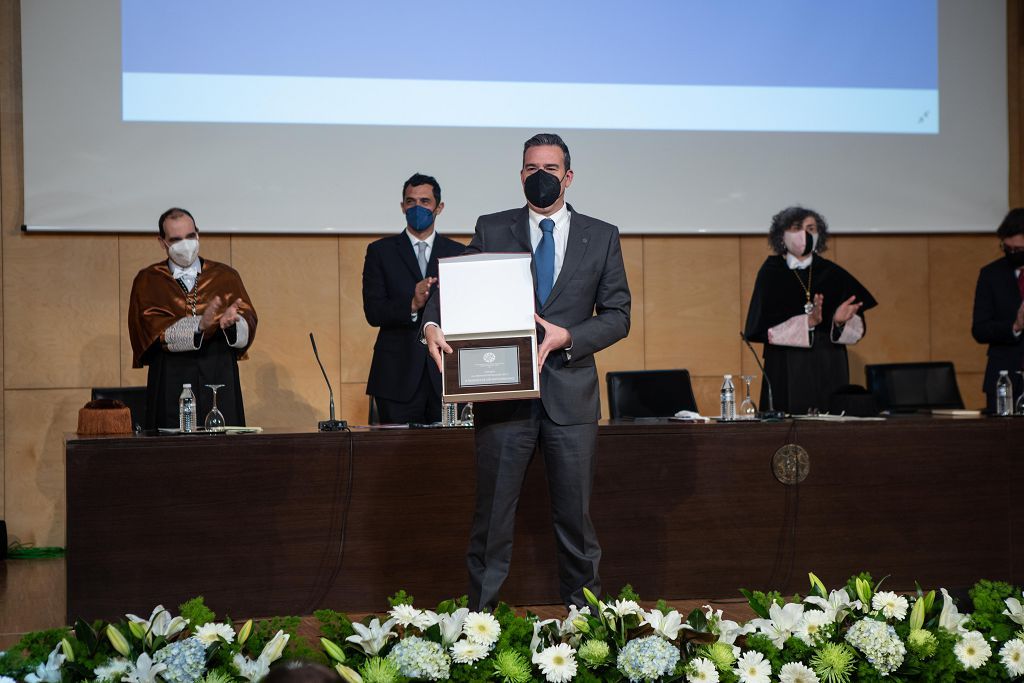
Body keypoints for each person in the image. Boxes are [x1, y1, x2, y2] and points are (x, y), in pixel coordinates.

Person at [423, 133, 631, 610]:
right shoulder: (493, 228)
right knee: (491, 522)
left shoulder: (600, 235)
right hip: (504, 398)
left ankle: (585, 630)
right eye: (531, 168)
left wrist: (570, 337)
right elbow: (456, 282)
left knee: (576, 526)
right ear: (521, 175)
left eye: (551, 169)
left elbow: (618, 315)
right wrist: (432, 323)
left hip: (571, 399)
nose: (541, 176)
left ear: (568, 177)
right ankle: (480, 628)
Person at [128, 207, 257, 429]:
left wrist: (232, 325)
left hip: (218, 371)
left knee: (224, 450)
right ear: (162, 242)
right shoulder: (148, 280)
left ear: (198, 233)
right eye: (176, 239)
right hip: (171, 377)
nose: (185, 244)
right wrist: (199, 326)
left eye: (190, 237)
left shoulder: (225, 275)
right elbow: (148, 330)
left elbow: (248, 318)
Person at [744, 206, 876, 414]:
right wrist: (807, 323)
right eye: (797, 228)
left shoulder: (833, 273)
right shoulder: (771, 273)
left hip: (828, 363)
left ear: (819, 236)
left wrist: (839, 322)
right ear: (781, 236)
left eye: (811, 228)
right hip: (786, 365)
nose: (804, 234)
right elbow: (761, 328)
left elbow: (854, 331)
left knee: (828, 431)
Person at [363, 173, 466, 424]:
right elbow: (373, 312)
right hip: (396, 377)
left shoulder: (458, 253)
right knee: (395, 460)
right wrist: (412, 304)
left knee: (452, 458)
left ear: (438, 207)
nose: (417, 207)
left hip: (445, 373)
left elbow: (466, 311)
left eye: (424, 201)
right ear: (402, 207)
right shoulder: (380, 251)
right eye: (411, 202)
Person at [971, 208, 1024, 412]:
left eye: (1018, 250)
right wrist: (1015, 326)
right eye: (1007, 248)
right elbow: (980, 329)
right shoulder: (991, 274)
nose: (1012, 254)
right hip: (1005, 381)